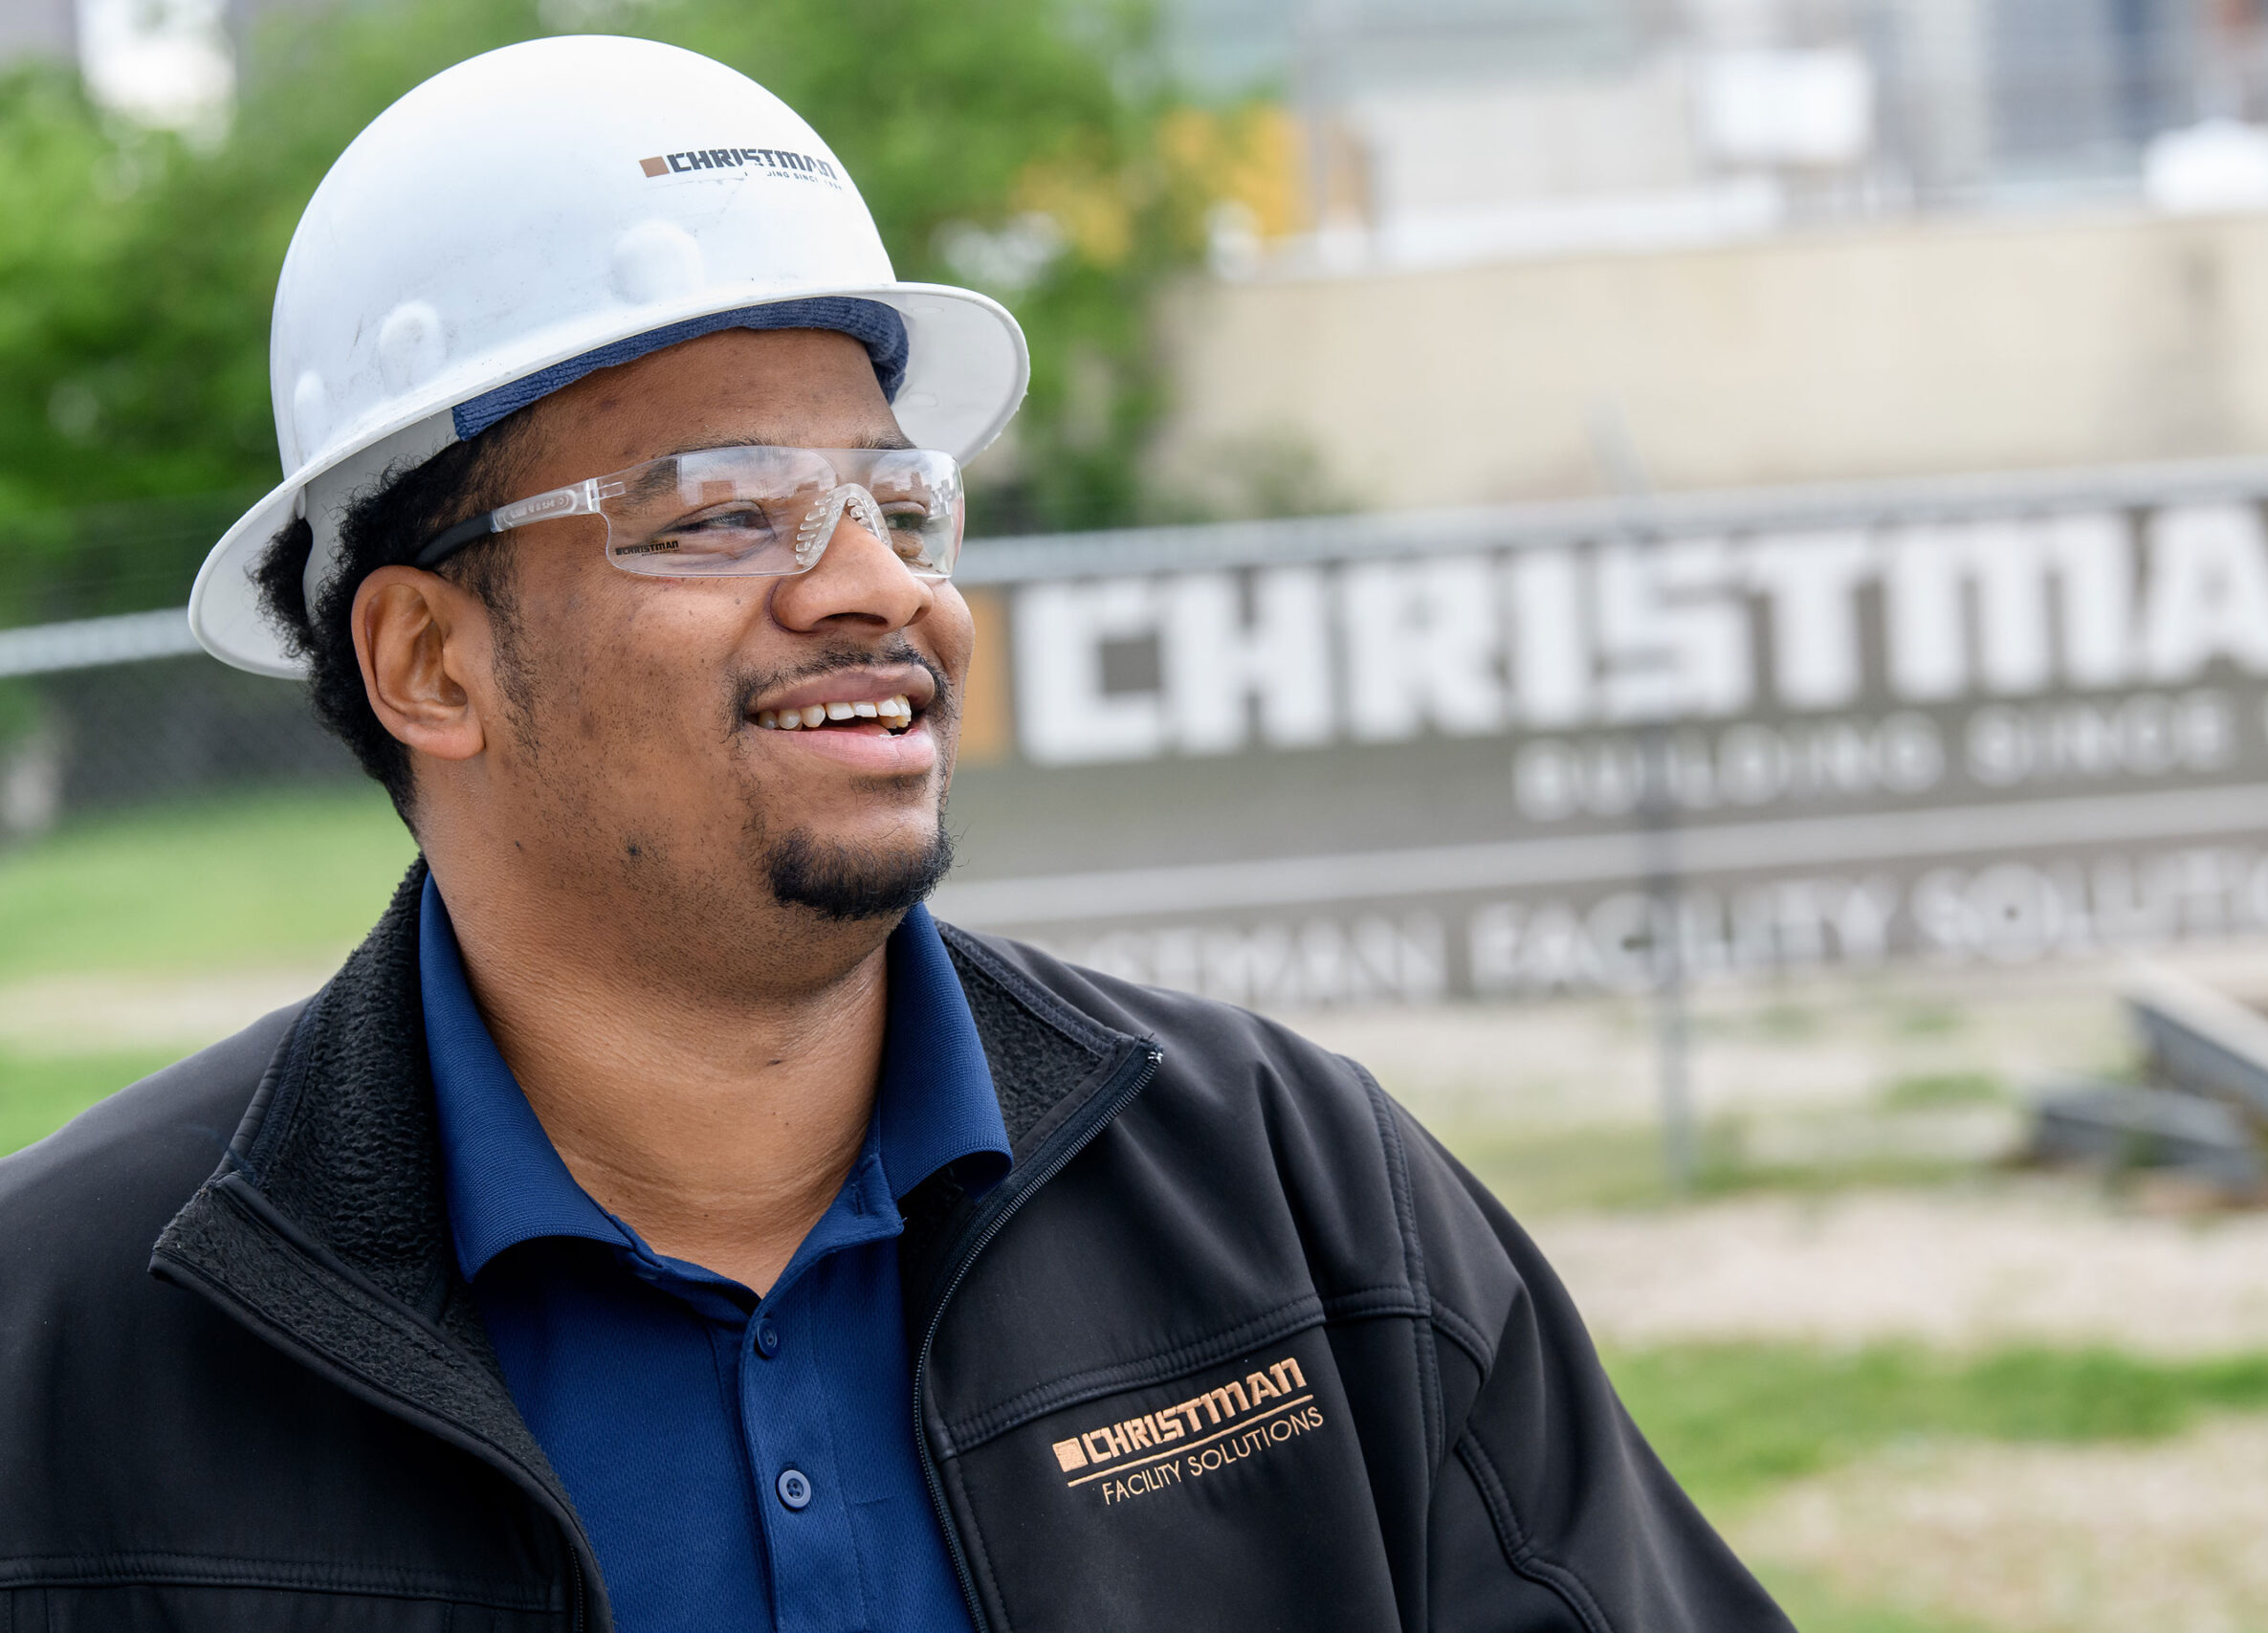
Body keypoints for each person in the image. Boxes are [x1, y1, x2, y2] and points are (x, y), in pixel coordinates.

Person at [0, 35, 1791, 1633]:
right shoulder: (61, 1354)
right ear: (426, 661)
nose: (878, 587)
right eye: (724, 513)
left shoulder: (1300, 1202)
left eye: (899, 501)